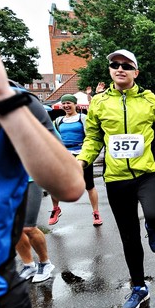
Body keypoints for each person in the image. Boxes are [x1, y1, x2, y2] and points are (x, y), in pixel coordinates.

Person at [0, 54, 85, 308]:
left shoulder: (17, 101)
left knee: (27, 230)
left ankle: (41, 263)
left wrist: (3, 96)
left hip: (0, 299)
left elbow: (70, 185)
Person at [77, 49, 155, 308]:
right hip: (116, 178)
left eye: (126, 65)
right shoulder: (99, 102)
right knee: (129, 237)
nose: (119, 68)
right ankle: (139, 287)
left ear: (136, 71)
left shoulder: (150, 100)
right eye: (114, 64)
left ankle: (154, 226)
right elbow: (93, 138)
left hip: (148, 172)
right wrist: (82, 161)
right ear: (110, 69)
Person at [47, 94, 103, 226]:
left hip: (81, 154)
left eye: (69, 103)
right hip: (64, 155)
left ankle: (96, 213)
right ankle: (55, 209)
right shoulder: (59, 120)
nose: (66, 105)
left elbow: (90, 134)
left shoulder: (82, 118)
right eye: (64, 103)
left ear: (75, 105)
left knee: (89, 185)